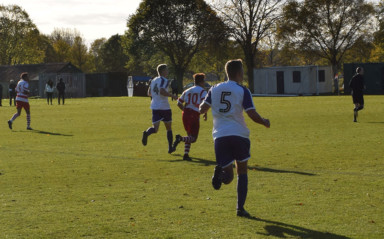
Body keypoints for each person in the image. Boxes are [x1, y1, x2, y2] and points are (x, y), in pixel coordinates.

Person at [199, 59, 270, 217]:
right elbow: (251, 113)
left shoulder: (214, 89)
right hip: (239, 134)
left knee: (228, 177)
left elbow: (202, 108)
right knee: (242, 172)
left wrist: (204, 112)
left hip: (220, 136)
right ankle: (240, 208)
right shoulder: (242, 90)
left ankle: (220, 172)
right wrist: (264, 121)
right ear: (239, 73)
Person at [141, 64, 178, 153]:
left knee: (155, 128)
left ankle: (146, 133)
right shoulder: (164, 80)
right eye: (166, 70)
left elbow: (149, 93)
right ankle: (170, 148)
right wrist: (172, 95)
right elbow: (162, 91)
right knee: (168, 128)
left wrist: (155, 96)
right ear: (163, 71)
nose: (168, 71)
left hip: (155, 106)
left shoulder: (153, 80)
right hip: (164, 107)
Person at [172, 73, 208, 161]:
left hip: (185, 113)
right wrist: (205, 113)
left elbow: (179, 103)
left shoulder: (187, 90)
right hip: (194, 114)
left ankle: (186, 154)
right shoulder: (203, 91)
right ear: (201, 81)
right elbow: (205, 104)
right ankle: (180, 138)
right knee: (194, 138)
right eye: (204, 81)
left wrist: (185, 110)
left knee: (189, 135)